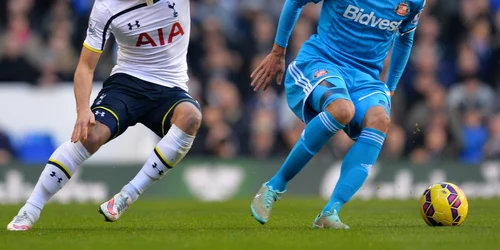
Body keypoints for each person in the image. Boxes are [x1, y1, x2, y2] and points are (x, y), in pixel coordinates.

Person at [7, 0, 201, 231]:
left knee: (191, 116)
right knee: (90, 136)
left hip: (170, 87)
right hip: (127, 83)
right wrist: (82, 110)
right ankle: (30, 209)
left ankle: (128, 195)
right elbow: (85, 66)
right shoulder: (107, 6)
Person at [250, 0, 425, 229]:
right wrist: (278, 51)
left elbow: (405, 37)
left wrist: (389, 88)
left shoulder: (414, 1)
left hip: (366, 78)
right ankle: (274, 186)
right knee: (342, 109)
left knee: (380, 120)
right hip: (323, 61)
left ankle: (330, 213)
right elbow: (294, 3)